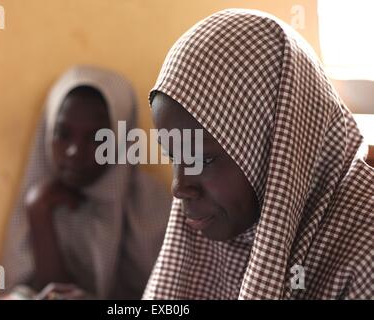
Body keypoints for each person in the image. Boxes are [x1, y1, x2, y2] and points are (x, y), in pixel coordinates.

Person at [143, 9, 373, 299]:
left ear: (278, 148)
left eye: (202, 159)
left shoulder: (365, 252)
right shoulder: (218, 225)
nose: (179, 187)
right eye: (172, 155)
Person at [2, 65, 171, 299]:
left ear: (121, 140)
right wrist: (39, 214)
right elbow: (52, 295)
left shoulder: (154, 207)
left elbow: (171, 300)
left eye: (95, 138)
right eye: (62, 133)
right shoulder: (42, 196)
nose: (74, 151)